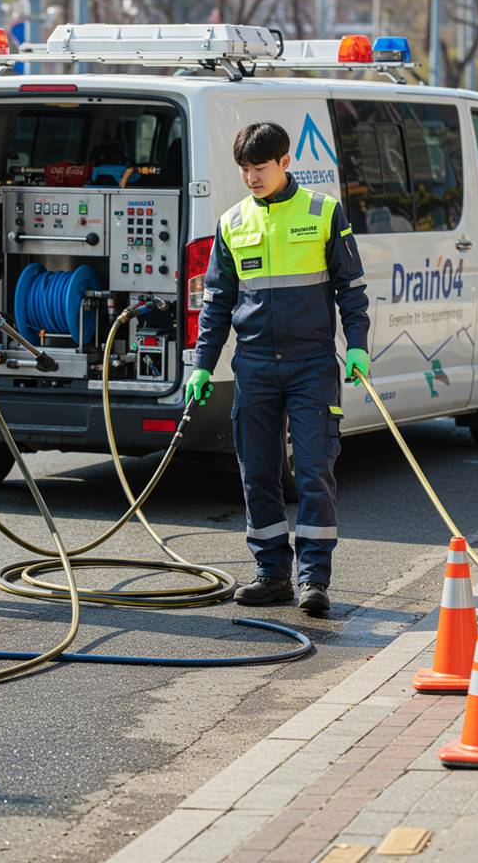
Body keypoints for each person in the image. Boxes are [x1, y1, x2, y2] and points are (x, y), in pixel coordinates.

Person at [186, 122, 370, 614]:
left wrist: (357, 345)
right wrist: (203, 365)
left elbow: (351, 290)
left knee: (313, 471)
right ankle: (272, 574)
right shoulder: (232, 223)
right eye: (244, 169)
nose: (251, 178)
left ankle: (313, 579)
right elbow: (217, 302)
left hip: (312, 365)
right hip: (254, 368)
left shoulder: (323, 211)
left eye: (259, 168)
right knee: (258, 473)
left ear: (285, 162)